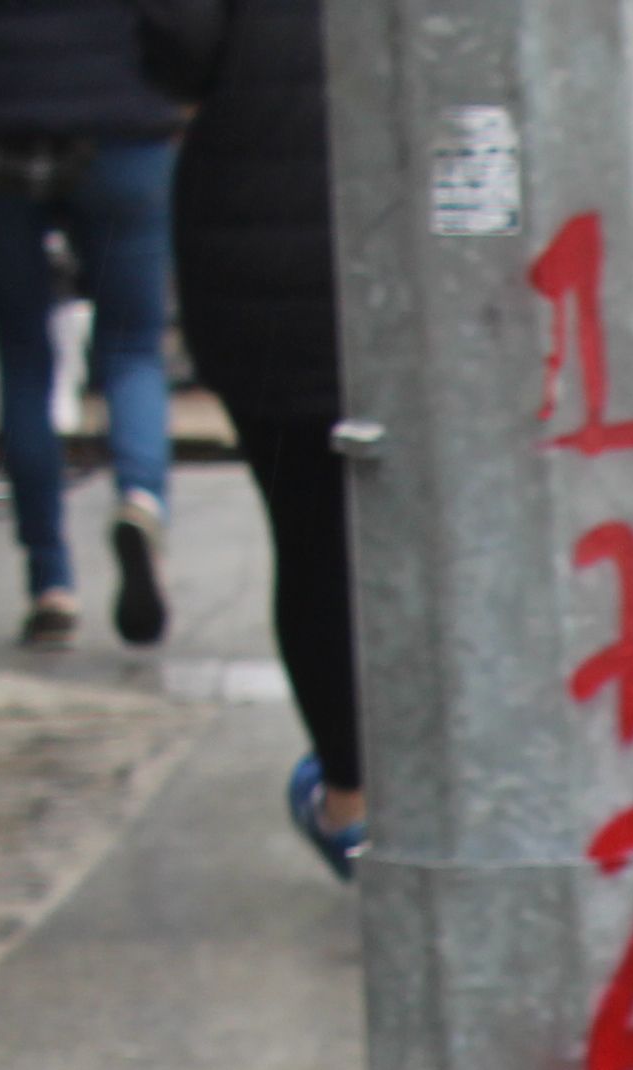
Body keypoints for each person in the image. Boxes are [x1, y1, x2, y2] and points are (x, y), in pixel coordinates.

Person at [164, 0, 360, 871]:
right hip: (432, 247)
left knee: (313, 538)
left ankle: (354, 798)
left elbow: (174, 50)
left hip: (260, 263)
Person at [0, 0, 177, 649]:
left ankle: (49, 581)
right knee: (132, 346)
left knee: (23, 352)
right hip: (120, 119)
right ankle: (140, 499)